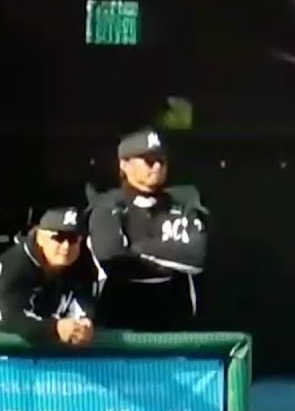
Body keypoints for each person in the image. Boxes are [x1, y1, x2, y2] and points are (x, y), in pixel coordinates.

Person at [87, 129, 209, 331]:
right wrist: (169, 259)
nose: (157, 167)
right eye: (149, 161)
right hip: (120, 318)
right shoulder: (108, 205)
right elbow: (113, 260)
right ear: (124, 164)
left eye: (162, 161)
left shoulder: (184, 201)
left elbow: (197, 255)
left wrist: (137, 248)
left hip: (175, 318)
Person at [0, 207, 97, 345]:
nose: (66, 246)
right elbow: (11, 317)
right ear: (40, 238)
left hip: (33, 351)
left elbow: (83, 303)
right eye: (58, 238)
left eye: (73, 239)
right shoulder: (17, 262)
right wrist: (56, 328)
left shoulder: (79, 264)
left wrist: (84, 323)